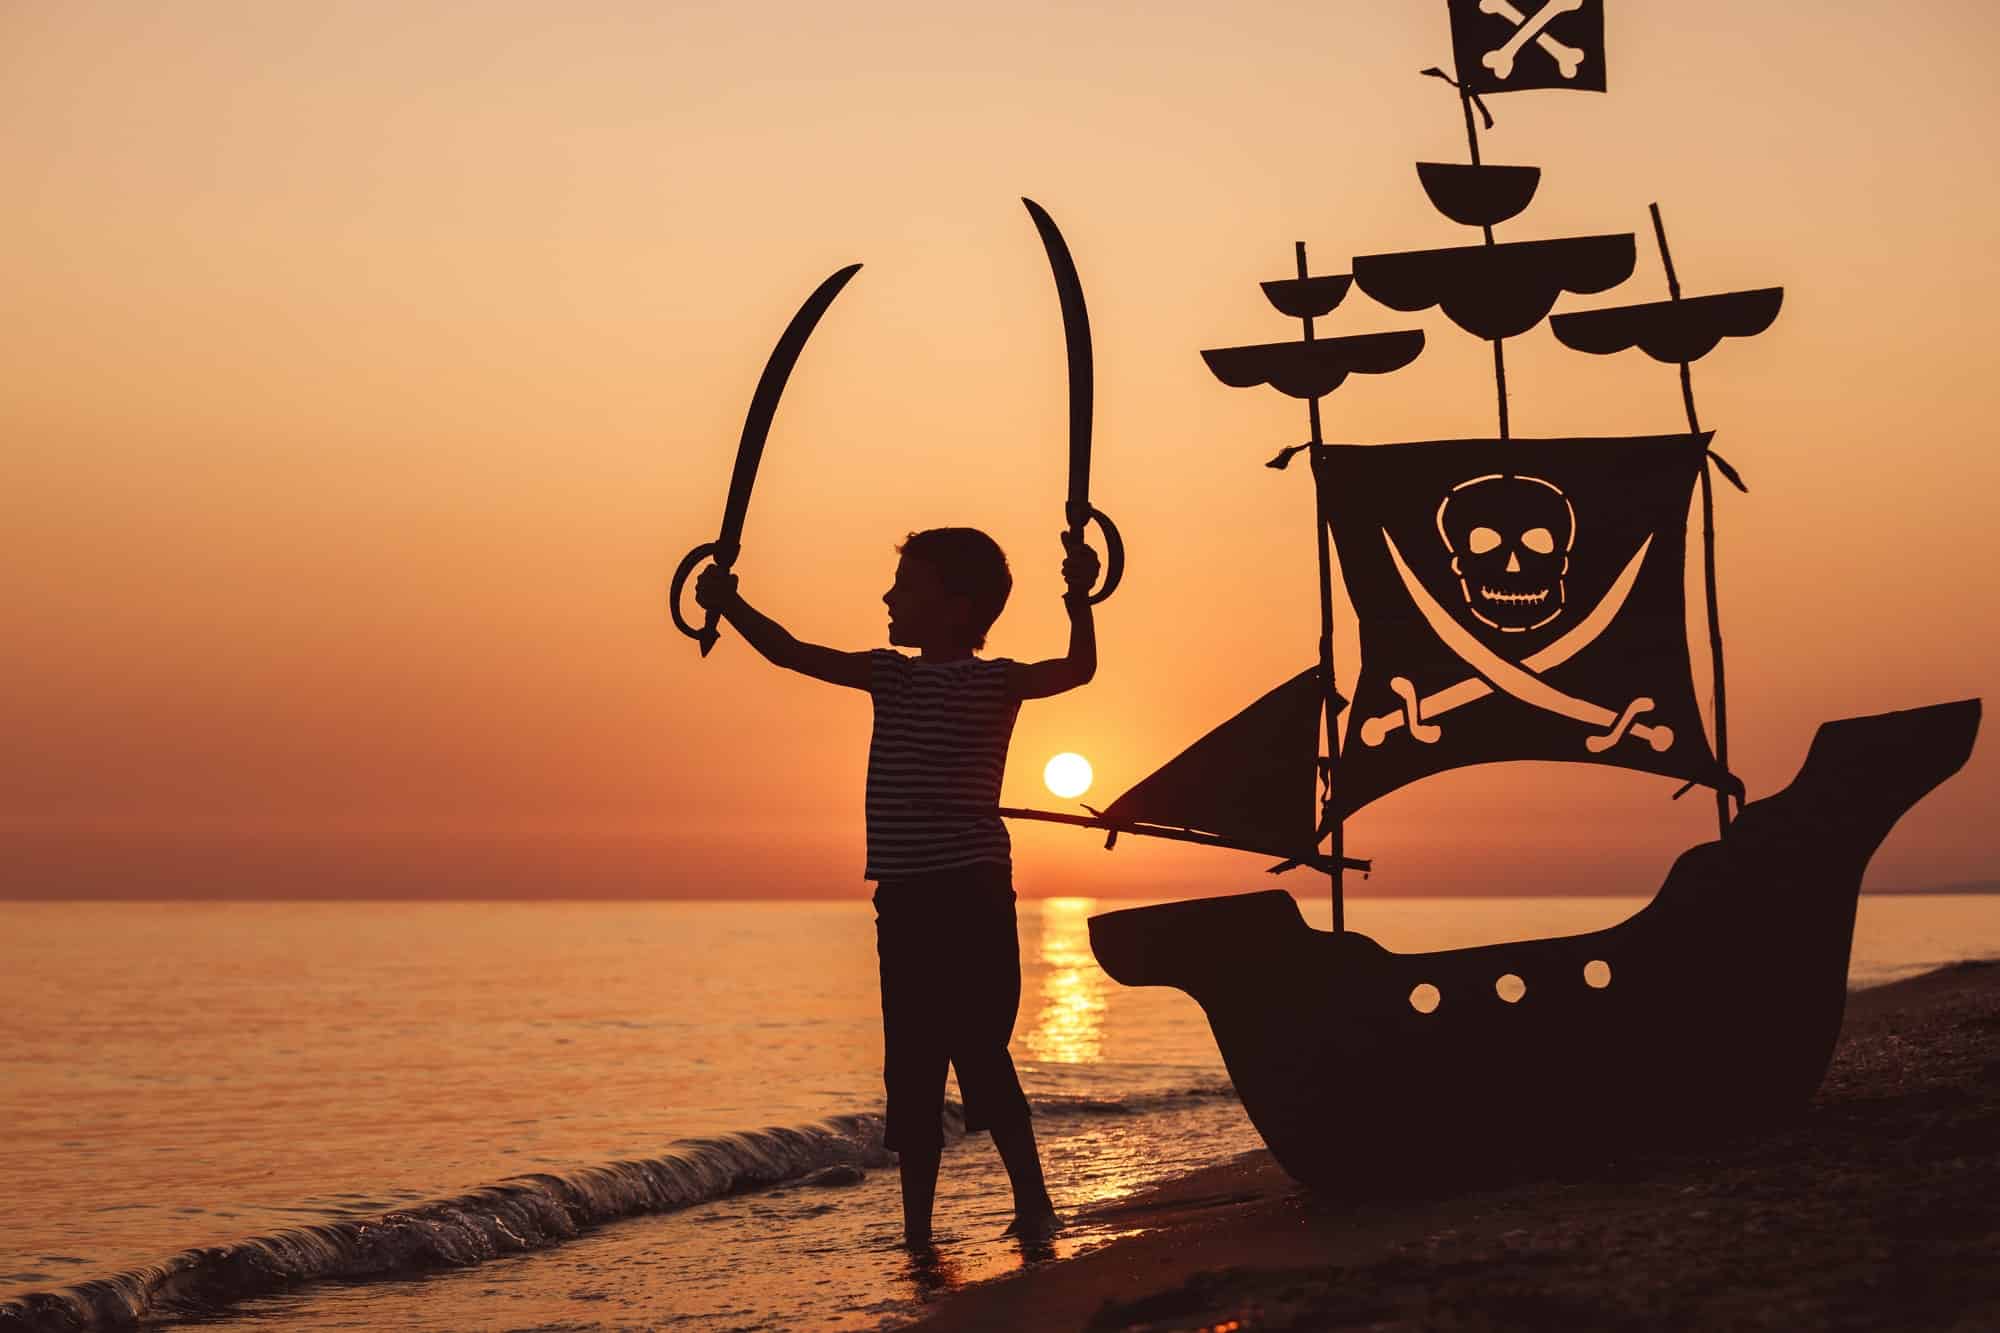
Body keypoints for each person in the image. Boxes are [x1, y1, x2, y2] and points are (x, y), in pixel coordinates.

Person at [693, 526, 1100, 1247]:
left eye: (907, 585)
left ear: (955, 605)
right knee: (913, 1063)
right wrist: (732, 604)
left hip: (970, 893)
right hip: (907, 897)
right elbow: (790, 652)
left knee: (977, 1050)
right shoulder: (895, 675)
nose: (888, 595)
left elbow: (1079, 667)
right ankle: (918, 1231)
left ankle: (1032, 1202)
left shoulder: (989, 679)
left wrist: (1078, 593)